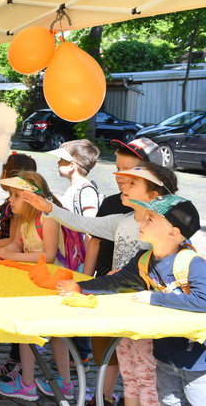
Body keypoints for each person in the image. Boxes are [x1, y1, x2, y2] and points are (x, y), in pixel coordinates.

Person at [21, 163, 179, 406]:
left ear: (154, 196)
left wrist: (135, 276)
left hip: (146, 315)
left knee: (147, 377)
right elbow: (82, 223)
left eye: (133, 183)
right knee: (128, 373)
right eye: (125, 180)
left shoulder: (165, 231)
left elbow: (172, 268)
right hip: (120, 310)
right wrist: (49, 208)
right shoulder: (121, 221)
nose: (123, 185)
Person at [57, 195, 204, 406]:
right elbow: (116, 282)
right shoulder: (144, 259)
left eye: (150, 219)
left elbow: (203, 300)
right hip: (164, 355)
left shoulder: (193, 263)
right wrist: (81, 287)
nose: (140, 222)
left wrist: (154, 298)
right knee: (168, 401)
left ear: (173, 232)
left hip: (196, 360)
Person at [85, 137, 163, 406]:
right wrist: (86, 278)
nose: (120, 178)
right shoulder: (110, 204)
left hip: (137, 294)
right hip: (106, 286)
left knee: (140, 364)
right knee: (110, 351)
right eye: (117, 169)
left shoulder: (161, 214)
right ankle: (104, 395)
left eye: (128, 172)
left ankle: (105, 396)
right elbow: (93, 238)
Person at [0, 172, 73, 401]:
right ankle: (52, 382)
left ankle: (30, 384)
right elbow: (17, 244)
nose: (10, 200)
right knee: (38, 333)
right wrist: (7, 253)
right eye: (11, 195)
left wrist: (12, 257)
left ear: (30, 197)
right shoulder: (23, 219)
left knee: (44, 333)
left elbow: (48, 255)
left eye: (16, 195)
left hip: (51, 283)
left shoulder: (47, 217)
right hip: (34, 281)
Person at [48, 139, 103, 369]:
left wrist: (86, 274)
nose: (58, 163)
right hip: (71, 261)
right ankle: (71, 355)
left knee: (76, 308)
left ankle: (80, 355)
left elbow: (91, 232)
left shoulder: (86, 191)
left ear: (72, 165)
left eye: (61, 159)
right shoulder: (74, 189)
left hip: (81, 263)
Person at [0, 152, 36, 380]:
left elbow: (14, 241)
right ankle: (16, 360)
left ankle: (21, 365)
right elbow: (10, 237)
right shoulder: (13, 203)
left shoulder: (19, 205)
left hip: (23, 263)